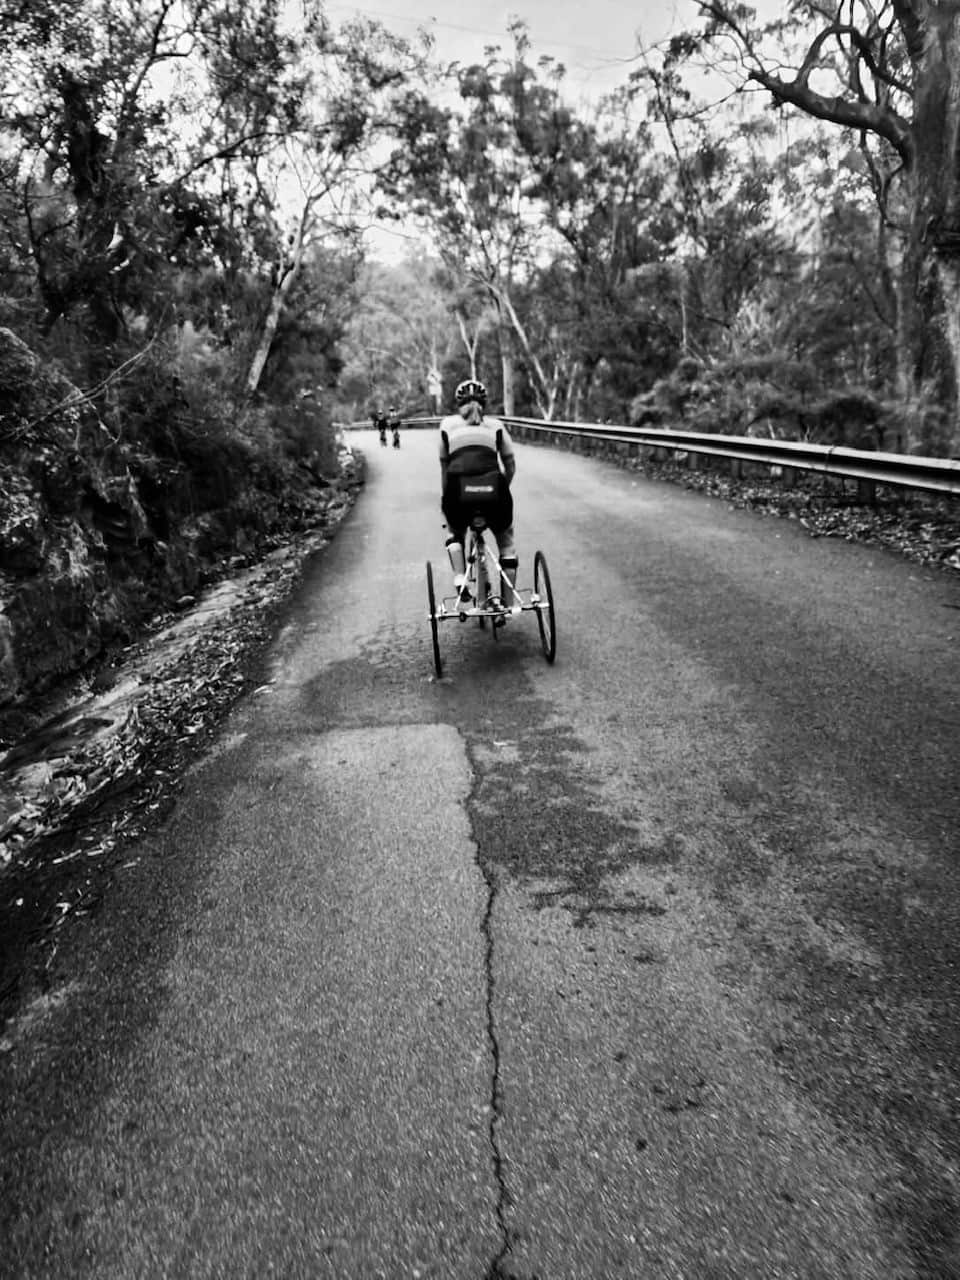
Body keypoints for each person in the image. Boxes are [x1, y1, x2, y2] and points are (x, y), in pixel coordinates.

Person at [439, 378, 518, 614]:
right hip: (493, 492)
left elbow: (445, 470)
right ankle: (508, 603)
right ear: (485, 403)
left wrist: (447, 501)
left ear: (458, 403)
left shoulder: (446, 426)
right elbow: (510, 465)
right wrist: (503, 489)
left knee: (454, 531)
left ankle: (459, 577)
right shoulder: (496, 426)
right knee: (506, 542)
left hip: (459, 494)